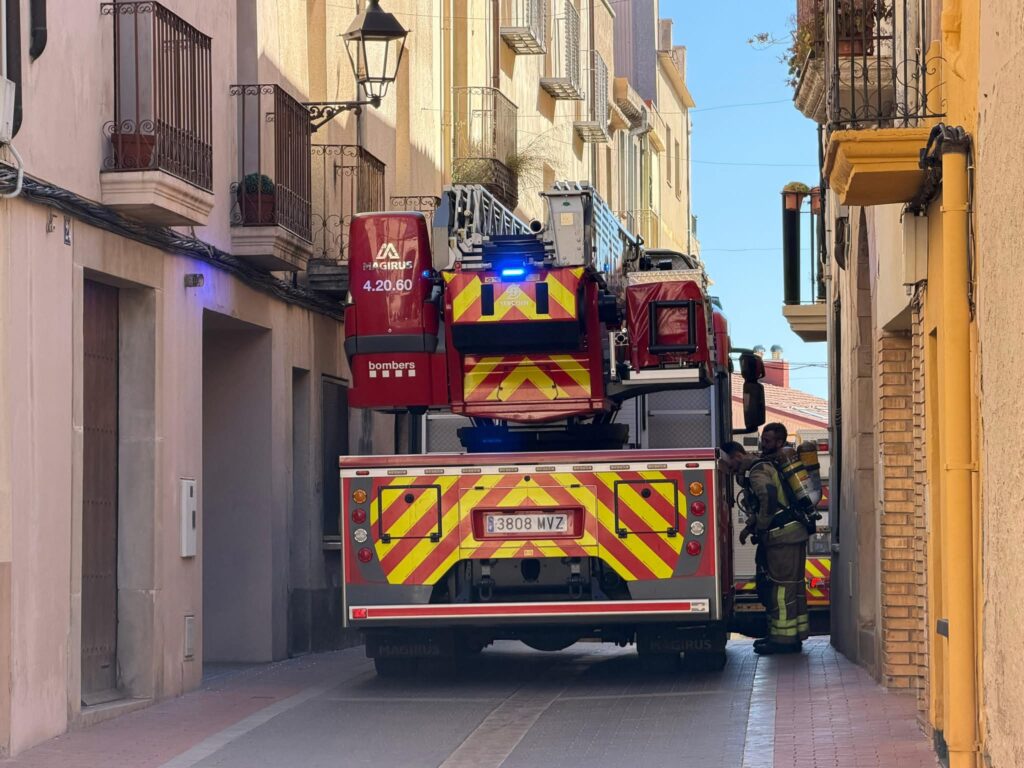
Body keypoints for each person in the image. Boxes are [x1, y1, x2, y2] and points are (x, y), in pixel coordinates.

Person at [747, 423, 811, 655]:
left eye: (768, 440)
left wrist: (762, 527)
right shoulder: (779, 464)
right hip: (795, 532)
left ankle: (782, 640)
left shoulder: (762, 468)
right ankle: (794, 636)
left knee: (781, 589)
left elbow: (769, 495)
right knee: (793, 586)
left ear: (780, 443)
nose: (763, 443)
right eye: (763, 438)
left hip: (781, 537)